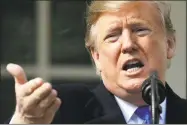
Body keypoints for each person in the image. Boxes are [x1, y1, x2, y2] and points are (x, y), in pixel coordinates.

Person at [6, 0, 187, 124]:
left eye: (140, 30)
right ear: (96, 57)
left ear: (169, 45)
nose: (128, 45)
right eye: (113, 36)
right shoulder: (60, 110)